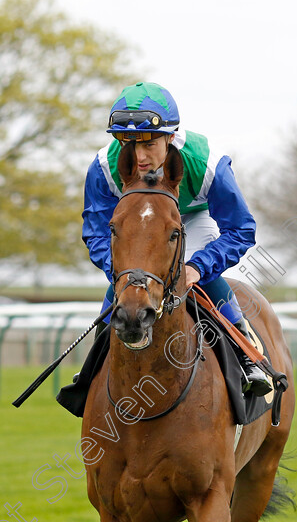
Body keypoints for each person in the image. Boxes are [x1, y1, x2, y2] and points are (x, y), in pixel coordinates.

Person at [81, 82, 271, 395]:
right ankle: (93, 370)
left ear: (170, 137)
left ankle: (246, 354)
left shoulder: (208, 163)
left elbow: (241, 229)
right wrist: (118, 270)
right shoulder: (103, 167)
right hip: (140, 227)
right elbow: (97, 230)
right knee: (125, 285)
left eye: (149, 145)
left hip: (193, 222)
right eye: (128, 144)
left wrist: (198, 267)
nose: (139, 156)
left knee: (202, 278)